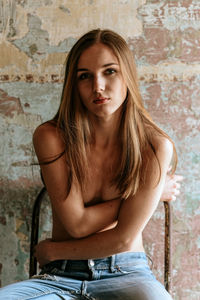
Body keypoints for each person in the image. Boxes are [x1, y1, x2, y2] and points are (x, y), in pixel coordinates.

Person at [0, 29, 183, 300]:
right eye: (84, 76)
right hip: (59, 276)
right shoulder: (52, 137)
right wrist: (148, 195)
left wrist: (55, 250)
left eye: (109, 71)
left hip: (127, 273)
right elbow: (77, 224)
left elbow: (122, 239)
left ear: (128, 75)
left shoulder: (154, 147)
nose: (97, 86)